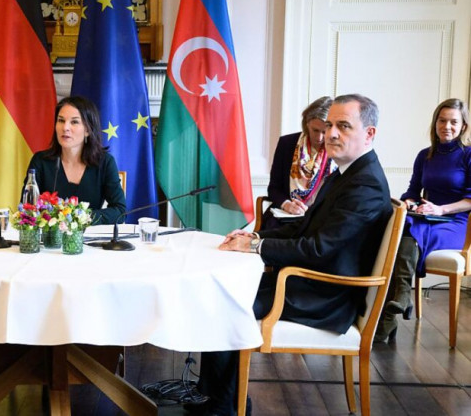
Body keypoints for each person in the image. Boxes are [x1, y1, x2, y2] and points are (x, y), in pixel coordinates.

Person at [188, 94, 392, 416]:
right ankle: (218, 398)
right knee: (224, 291)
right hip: (312, 284)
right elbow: (305, 228)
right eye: (329, 125)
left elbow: (317, 250)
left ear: (369, 133)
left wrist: (255, 248)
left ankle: (224, 407)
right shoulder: (348, 173)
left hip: (326, 296)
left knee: (227, 303)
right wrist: (255, 236)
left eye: (343, 126)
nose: (331, 134)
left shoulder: (365, 184)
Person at [375, 98, 471, 343]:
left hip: (457, 223)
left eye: (453, 122)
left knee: (411, 233)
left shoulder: (468, 155)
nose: (446, 126)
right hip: (426, 217)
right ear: (435, 123)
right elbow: (412, 191)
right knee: (400, 229)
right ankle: (399, 301)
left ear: (463, 126)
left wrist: (441, 209)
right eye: (442, 120)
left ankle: (396, 305)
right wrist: (409, 202)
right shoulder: (424, 155)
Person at [24, 96, 126, 224]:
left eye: (74, 122)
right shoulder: (40, 161)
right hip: (49, 235)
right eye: (61, 120)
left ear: (87, 130)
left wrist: (80, 218)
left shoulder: (104, 162)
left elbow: (120, 211)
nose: (65, 127)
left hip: (89, 235)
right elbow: (27, 209)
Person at [262, 96, 336, 230]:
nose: (319, 138)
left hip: (320, 218)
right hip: (285, 216)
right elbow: (274, 188)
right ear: (307, 124)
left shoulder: (338, 149)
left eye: (324, 132)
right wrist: (286, 204)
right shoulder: (287, 143)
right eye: (315, 130)